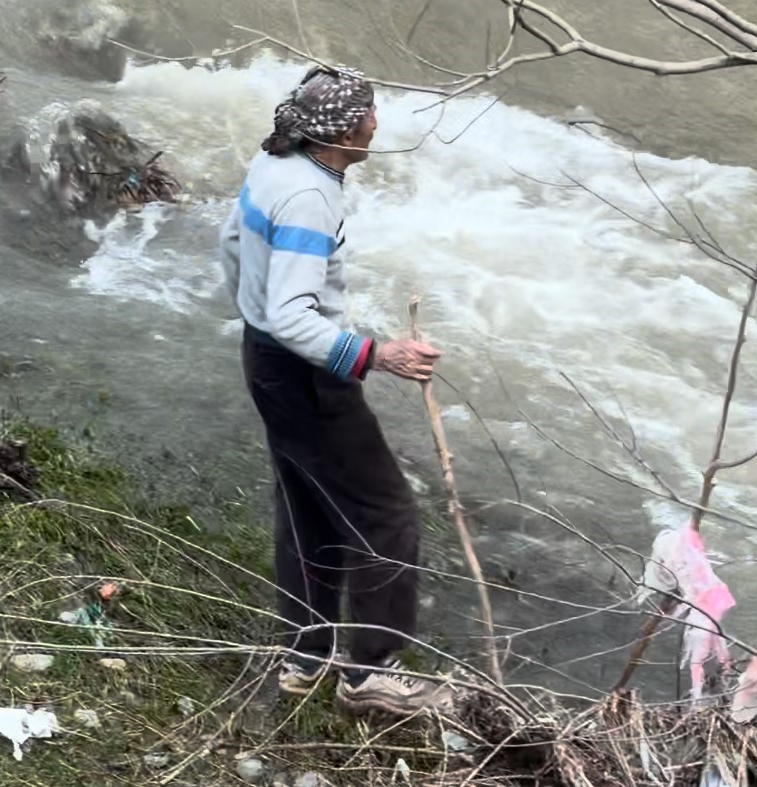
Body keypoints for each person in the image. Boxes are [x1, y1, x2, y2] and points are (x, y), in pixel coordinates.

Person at [218, 65, 446, 715]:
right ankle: (370, 671)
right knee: (386, 513)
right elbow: (296, 315)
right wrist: (377, 354)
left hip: (264, 359)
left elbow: (229, 242)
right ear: (343, 132)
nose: (376, 123)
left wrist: (254, 316)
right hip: (306, 374)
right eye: (369, 114)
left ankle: (305, 654)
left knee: (306, 508)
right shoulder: (311, 199)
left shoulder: (274, 166)